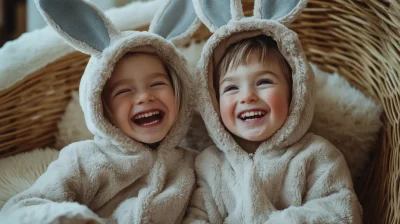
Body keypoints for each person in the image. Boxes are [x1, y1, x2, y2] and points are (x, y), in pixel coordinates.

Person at [0, 0, 197, 223]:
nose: (144, 97)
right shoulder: (85, 160)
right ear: (101, 107)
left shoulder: (192, 166)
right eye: (124, 91)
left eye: (157, 84)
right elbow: (23, 208)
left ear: (179, 89)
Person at [184, 0, 362, 223]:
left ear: (295, 93)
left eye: (264, 82)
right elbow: (197, 216)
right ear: (212, 101)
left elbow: (341, 209)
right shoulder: (210, 166)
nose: (247, 96)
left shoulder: (316, 155)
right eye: (231, 88)